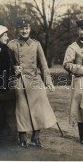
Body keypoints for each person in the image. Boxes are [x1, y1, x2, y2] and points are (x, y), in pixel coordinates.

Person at [8, 16, 57, 148]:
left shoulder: (36, 44)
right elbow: (7, 64)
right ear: (18, 29)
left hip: (35, 81)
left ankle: (36, 137)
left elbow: (44, 65)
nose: (24, 31)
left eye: (26, 28)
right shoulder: (12, 45)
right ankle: (23, 137)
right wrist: (13, 68)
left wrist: (49, 82)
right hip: (20, 81)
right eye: (21, 28)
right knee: (22, 110)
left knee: (39, 110)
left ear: (29, 29)